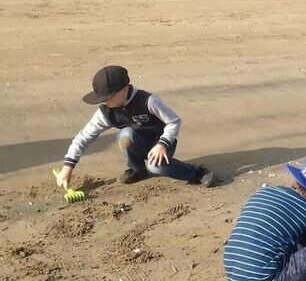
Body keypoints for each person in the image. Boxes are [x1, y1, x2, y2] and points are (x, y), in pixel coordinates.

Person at [55, 65, 214, 189]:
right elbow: (83, 138)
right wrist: (68, 167)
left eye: (107, 97)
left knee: (156, 167)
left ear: (124, 89)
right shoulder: (106, 111)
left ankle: (197, 173)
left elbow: (174, 121)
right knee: (125, 135)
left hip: (164, 143)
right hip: (137, 142)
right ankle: (137, 169)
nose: (103, 102)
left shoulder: (148, 101)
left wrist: (162, 144)